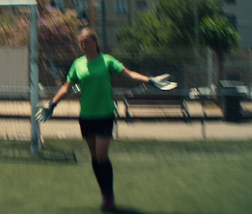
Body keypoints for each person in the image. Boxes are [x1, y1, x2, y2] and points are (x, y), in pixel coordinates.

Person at [36, 27, 176, 213]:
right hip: (86, 117)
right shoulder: (77, 64)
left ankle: (109, 195)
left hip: (105, 115)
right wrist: (52, 105)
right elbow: (68, 87)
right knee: (94, 156)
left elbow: (128, 74)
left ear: (95, 42)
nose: (84, 44)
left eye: (87, 41)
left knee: (102, 155)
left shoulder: (107, 61)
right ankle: (103, 189)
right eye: (81, 42)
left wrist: (149, 80)